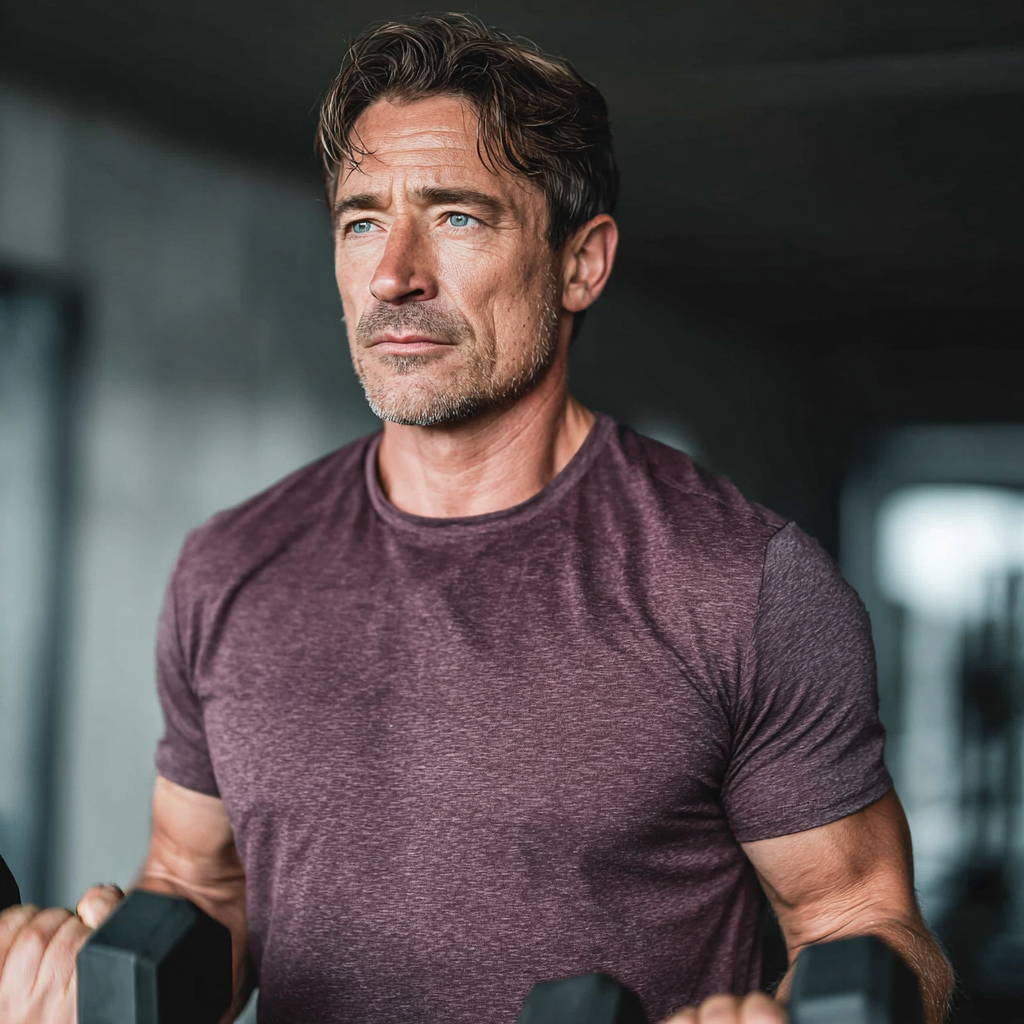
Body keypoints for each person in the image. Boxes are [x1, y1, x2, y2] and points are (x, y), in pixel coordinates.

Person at [0, 14, 952, 1024]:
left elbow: (867, 922)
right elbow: (198, 892)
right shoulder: (230, 565)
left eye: (455, 217)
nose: (392, 274)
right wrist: (82, 977)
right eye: (362, 220)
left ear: (581, 263)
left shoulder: (741, 582)